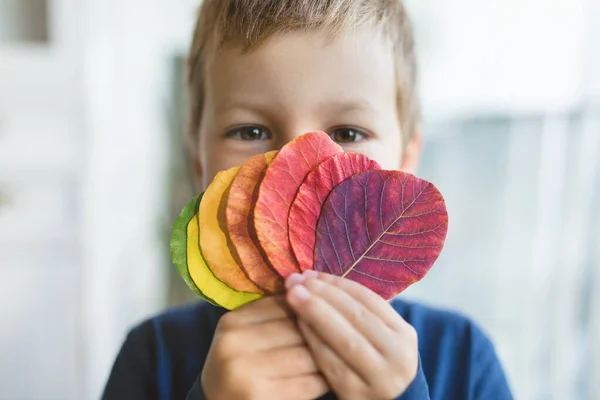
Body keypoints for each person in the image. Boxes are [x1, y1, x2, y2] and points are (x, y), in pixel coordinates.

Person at [102, 1, 514, 399]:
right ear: (199, 165)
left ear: (404, 167)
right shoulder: (152, 355)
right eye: (250, 131)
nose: (295, 167)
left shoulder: (464, 359)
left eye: (347, 133)